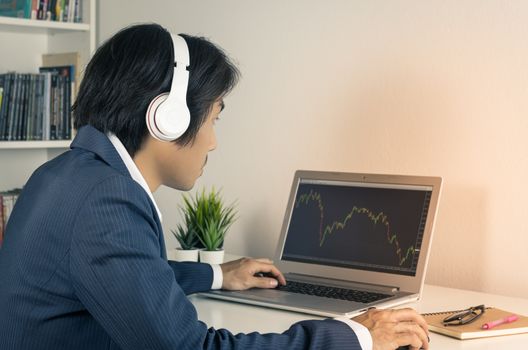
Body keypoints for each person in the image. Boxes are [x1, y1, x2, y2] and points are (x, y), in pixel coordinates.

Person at [0, 23, 429, 350]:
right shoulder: (107, 198)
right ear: (167, 116)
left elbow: (128, 278)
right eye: (215, 117)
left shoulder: (64, 174)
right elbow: (193, 347)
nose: (213, 141)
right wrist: (357, 336)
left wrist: (217, 275)